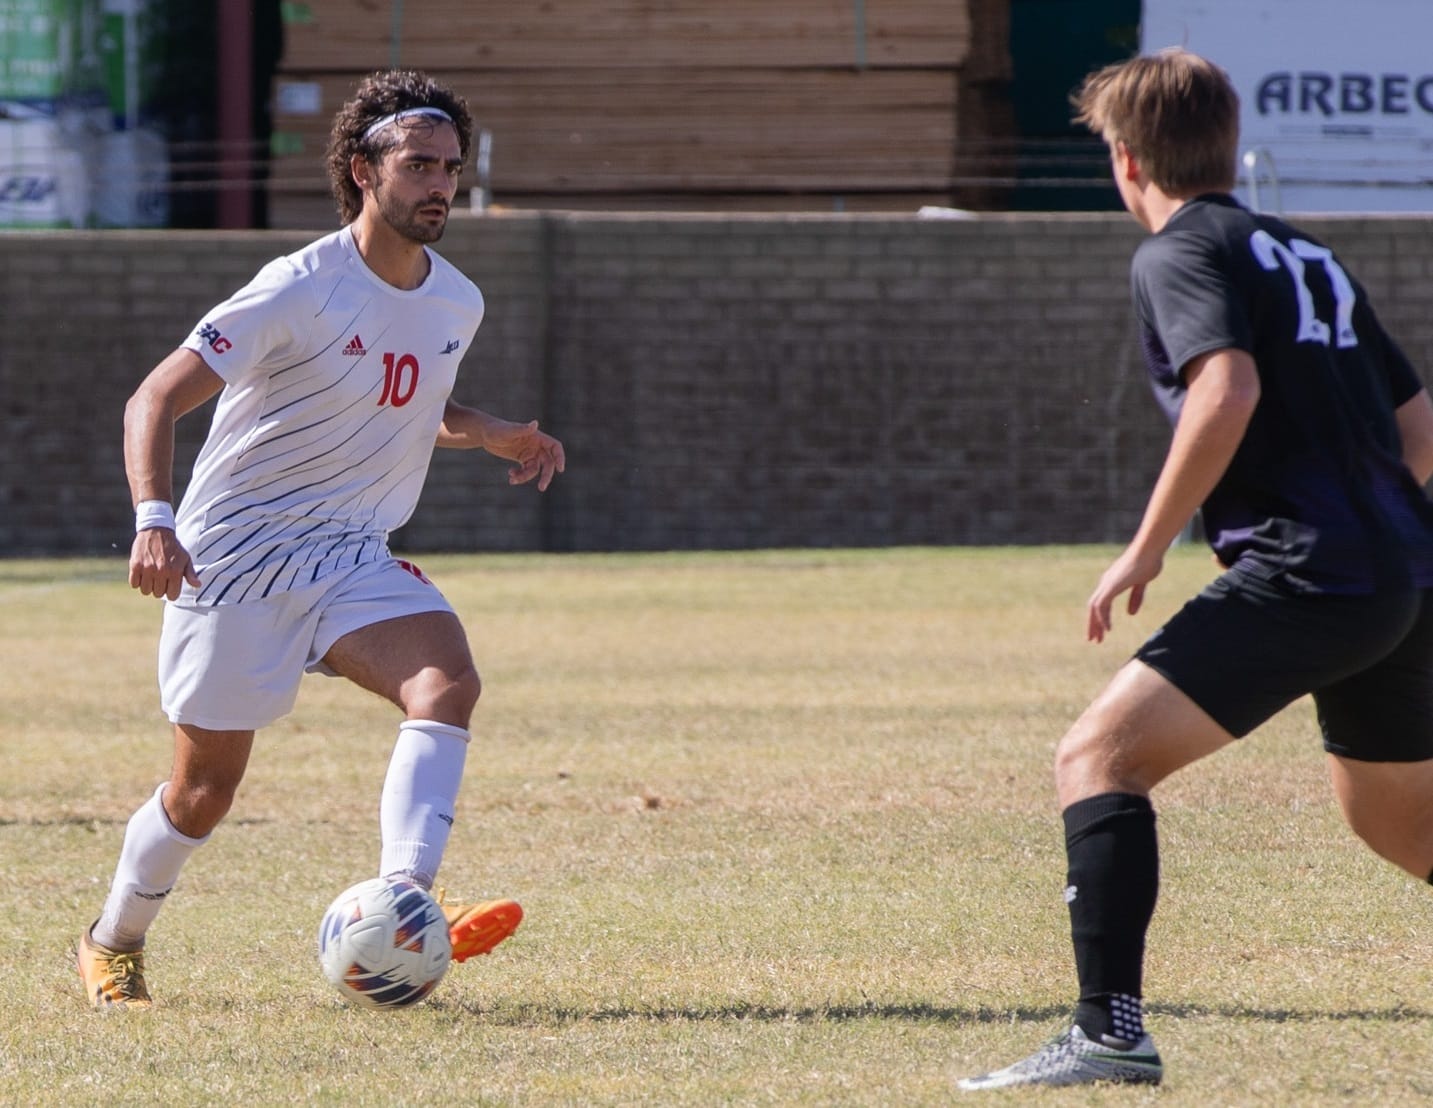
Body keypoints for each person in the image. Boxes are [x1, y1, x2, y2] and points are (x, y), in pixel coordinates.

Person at [959, 48, 1433, 1089]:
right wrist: (1373, 524)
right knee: (1397, 822)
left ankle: (1106, 1031)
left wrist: (1142, 546)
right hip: (1400, 575)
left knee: (1096, 758)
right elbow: (1416, 421)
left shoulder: (1175, 253)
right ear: (1221, 143)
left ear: (1126, 161)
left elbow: (1224, 390)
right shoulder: (1304, 252)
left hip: (1308, 573)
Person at [77, 69, 566, 1009]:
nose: (438, 186)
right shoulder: (296, 287)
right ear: (362, 170)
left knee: (445, 681)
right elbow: (154, 396)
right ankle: (113, 939)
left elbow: (410, 398)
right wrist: (153, 518)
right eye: (418, 165)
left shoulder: (455, 301)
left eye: (450, 170)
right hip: (235, 558)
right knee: (202, 794)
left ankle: (405, 899)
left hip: (349, 551)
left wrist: (490, 429)